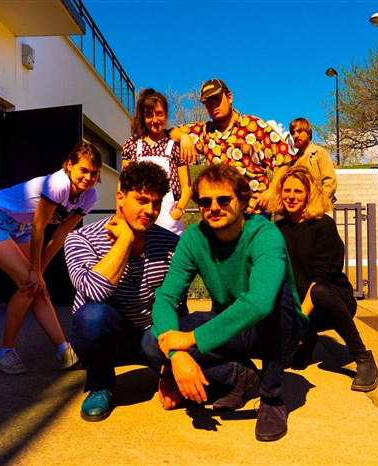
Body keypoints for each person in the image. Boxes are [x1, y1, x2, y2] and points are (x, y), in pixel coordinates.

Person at [142, 163, 308, 442]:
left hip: (277, 330)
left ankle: (271, 398)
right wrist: (176, 356)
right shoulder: (195, 238)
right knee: (150, 342)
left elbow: (259, 303)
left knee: (276, 292)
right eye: (205, 202)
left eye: (223, 199)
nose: (214, 208)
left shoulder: (265, 233)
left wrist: (190, 339)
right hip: (230, 325)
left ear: (242, 200)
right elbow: (166, 296)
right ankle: (238, 376)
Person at [64, 161, 184, 422]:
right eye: (142, 200)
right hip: (110, 336)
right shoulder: (81, 239)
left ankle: (168, 371)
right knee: (91, 316)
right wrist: (126, 241)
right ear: (120, 197)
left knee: (210, 383)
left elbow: (179, 305)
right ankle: (100, 383)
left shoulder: (171, 244)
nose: (150, 210)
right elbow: (95, 291)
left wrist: (171, 369)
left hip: (152, 337)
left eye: (156, 203)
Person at [0, 140, 101, 374]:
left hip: (21, 226)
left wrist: (39, 272)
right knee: (27, 283)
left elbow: (60, 235)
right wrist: (33, 272)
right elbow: (40, 227)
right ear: (69, 165)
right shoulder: (58, 184)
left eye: (94, 172)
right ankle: (5, 353)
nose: (89, 177)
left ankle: (64, 351)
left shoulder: (89, 197)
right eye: (84, 170)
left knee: (37, 285)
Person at [269, 165, 378, 392]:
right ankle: (308, 340)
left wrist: (298, 321)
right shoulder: (277, 229)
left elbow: (323, 277)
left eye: (298, 191)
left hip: (333, 301)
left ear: (309, 195)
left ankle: (363, 358)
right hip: (300, 304)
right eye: (287, 190)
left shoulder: (323, 225)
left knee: (319, 290)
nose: (291, 196)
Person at [173, 78, 294, 214]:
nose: (213, 105)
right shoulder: (204, 132)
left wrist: (271, 191)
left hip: (253, 212)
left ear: (229, 97)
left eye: (217, 99)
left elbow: (285, 159)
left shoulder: (255, 126)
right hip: (220, 213)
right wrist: (183, 137)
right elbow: (169, 132)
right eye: (208, 103)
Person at [122, 88, 191, 235]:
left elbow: (187, 185)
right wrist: (121, 214)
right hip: (138, 219)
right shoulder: (132, 144)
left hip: (169, 222)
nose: (154, 120)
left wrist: (178, 211)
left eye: (159, 114)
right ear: (143, 117)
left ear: (166, 113)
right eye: (149, 115)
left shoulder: (176, 145)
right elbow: (123, 184)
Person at [289, 117, 337, 205]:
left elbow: (330, 183)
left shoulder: (319, 153)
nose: (295, 135)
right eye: (293, 133)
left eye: (299, 131)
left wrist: (316, 203)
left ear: (308, 134)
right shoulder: (293, 160)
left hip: (316, 207)